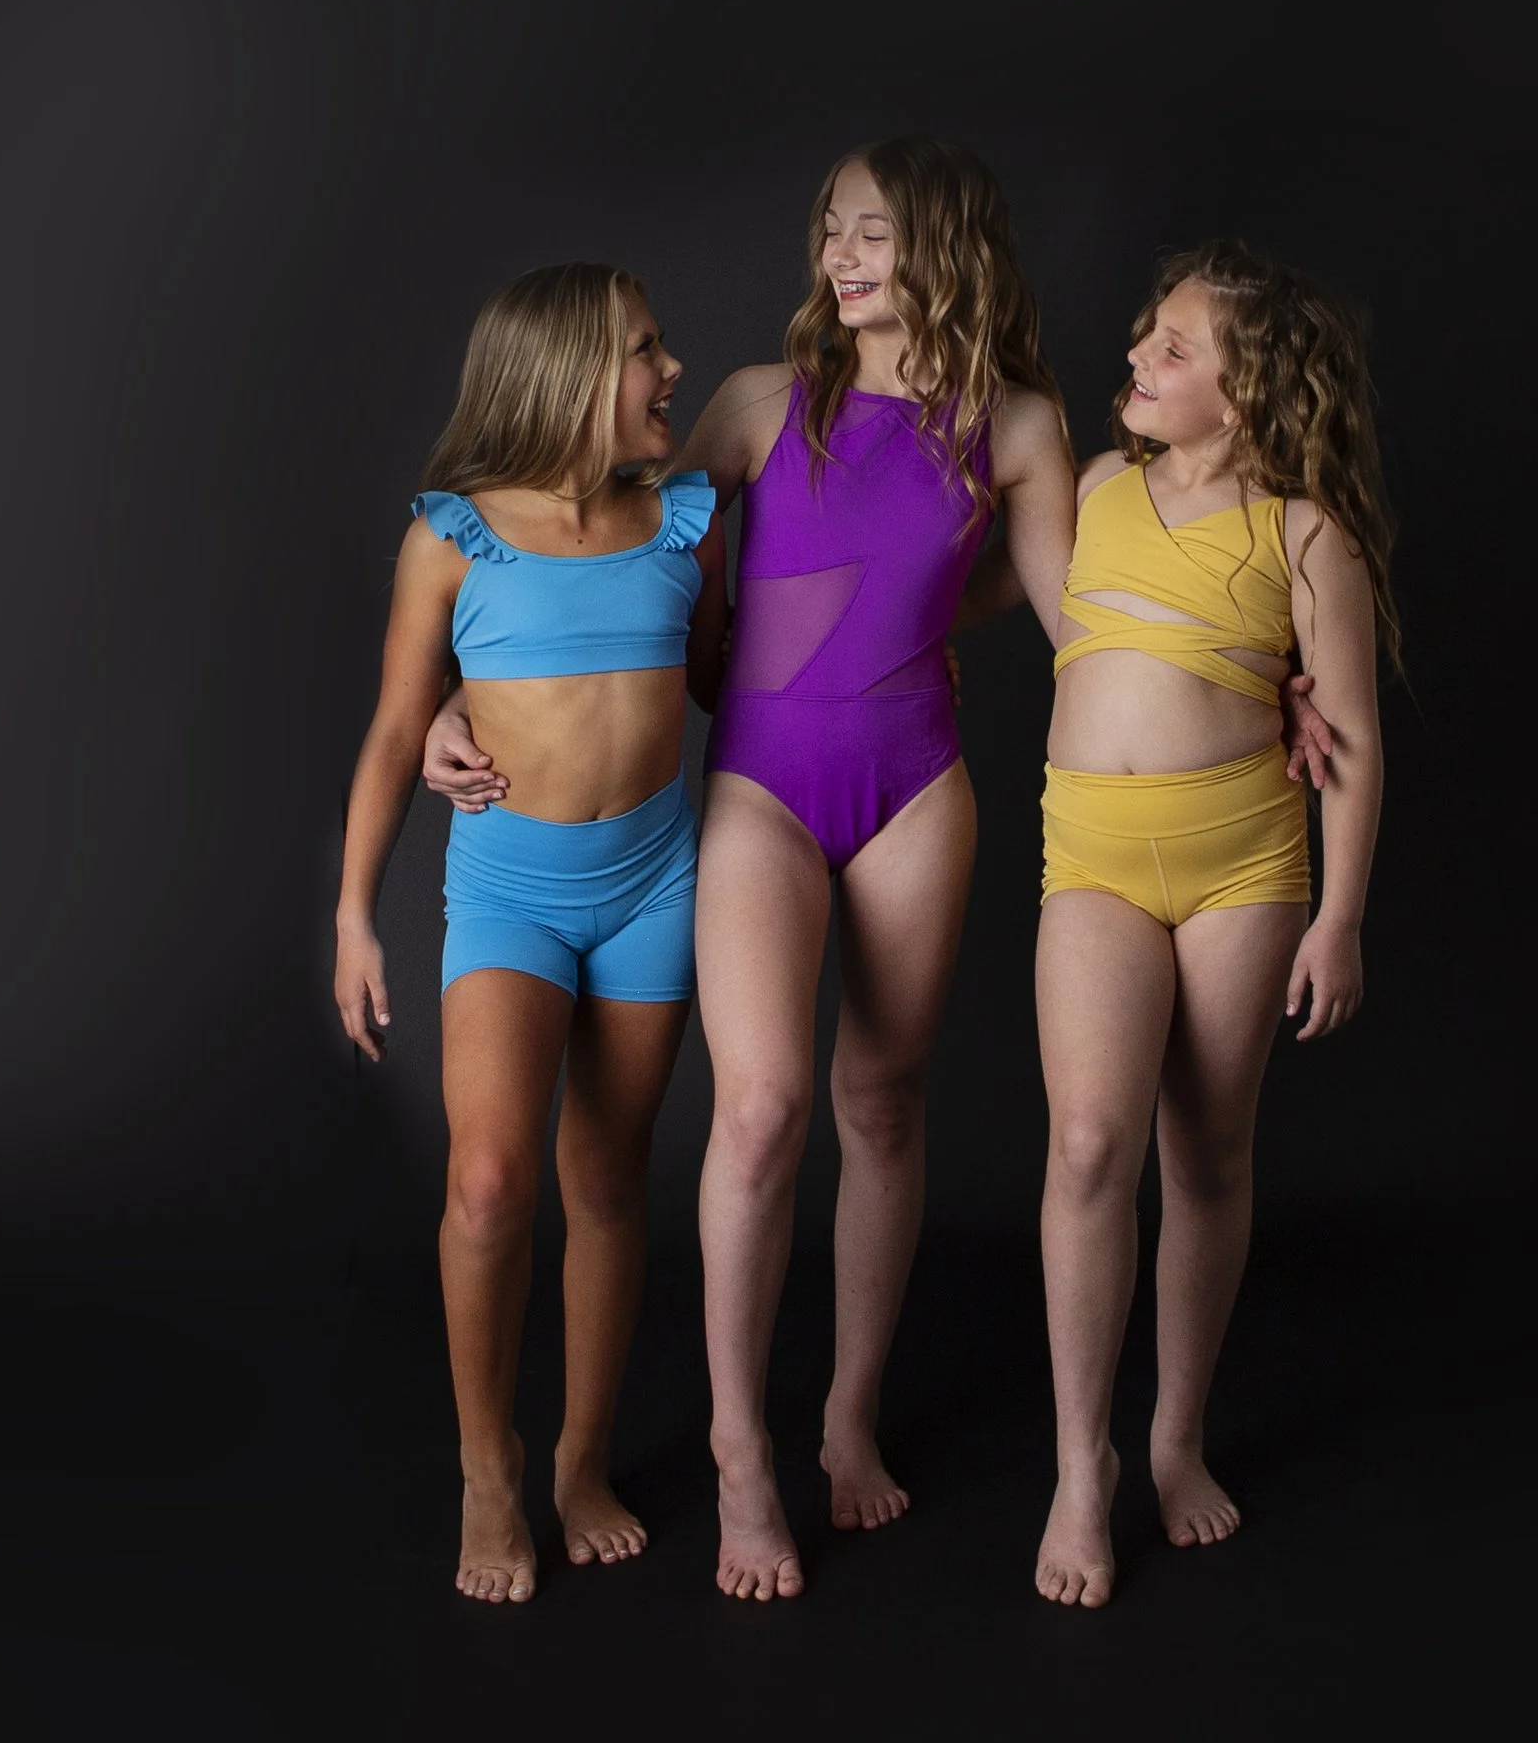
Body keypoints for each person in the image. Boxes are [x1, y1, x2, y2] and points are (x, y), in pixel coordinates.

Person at [429, 136, 1077, 1599]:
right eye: (831, 231)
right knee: (767, 1106)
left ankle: (847, 1416)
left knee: (883, 1102)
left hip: (916, 786)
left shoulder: (1022, 427)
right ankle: (738, 1451)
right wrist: (457, 701)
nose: (839, 258)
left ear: (947, 246)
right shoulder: (756, 402)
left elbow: (1090, 630)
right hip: (763, 786)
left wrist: (1264, 686)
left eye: (872, 234)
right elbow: (592, 556)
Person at [332, 263, 727, 1605]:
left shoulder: (681, 519)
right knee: (493, 1183)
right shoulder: (453, 539)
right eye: (645, 350)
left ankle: (580, 1461)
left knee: (608, 1179)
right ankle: (488, 1466)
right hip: (511, 893)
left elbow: (729, 676)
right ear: (568, 374)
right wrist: (354, 915)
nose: (671, 371)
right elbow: (397, 725)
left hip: (655, 883)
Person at [1029, 241, 1398, 1608]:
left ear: (1244, 394)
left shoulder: (1305, 533)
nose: (1137, 354)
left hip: (1245, 866)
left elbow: (1351, 739)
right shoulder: (1092, 488)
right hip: (1094, 858)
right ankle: (1082, 1465)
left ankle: (1174, 1438)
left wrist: (1339, 919)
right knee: (1088, 1145)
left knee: (1208, 1150)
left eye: (1173, 347)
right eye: (1146, 332)